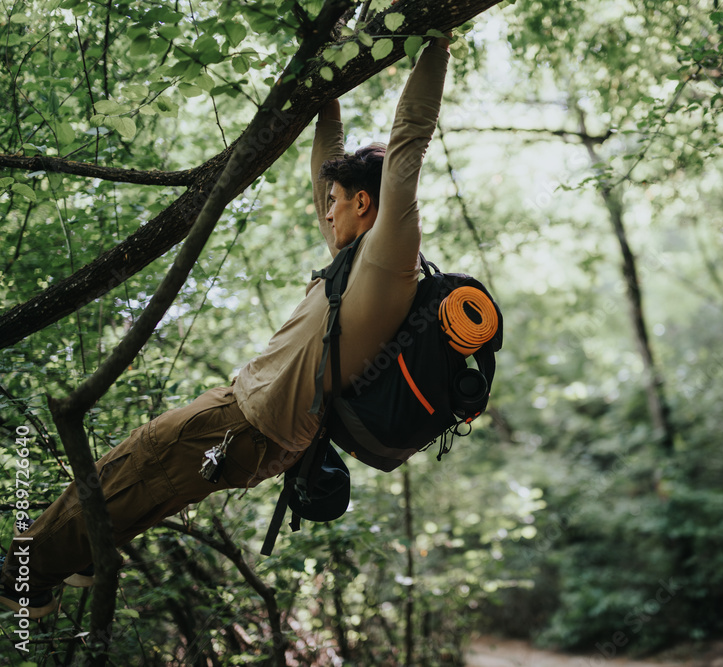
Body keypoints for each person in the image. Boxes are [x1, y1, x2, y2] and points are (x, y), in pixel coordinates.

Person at [1, 37, 451, 619]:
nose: (325, 207)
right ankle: (55, 565)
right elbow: (326, 166)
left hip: (247, 424)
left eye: (336, 201)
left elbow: (410, 137)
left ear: (366, 202)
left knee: (134, 465)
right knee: (132, 477)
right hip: (245, 418)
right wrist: (329, 80)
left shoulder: (389, 262)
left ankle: (21, 575)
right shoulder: (351, 263)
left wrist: (435, 36)